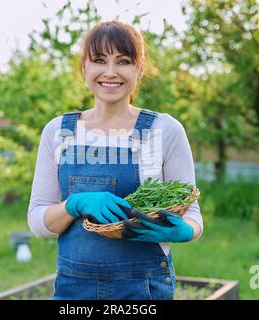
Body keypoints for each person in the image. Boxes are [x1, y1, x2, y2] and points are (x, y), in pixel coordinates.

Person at [27, 20, 203, 300]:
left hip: (144, 290)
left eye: (123, 61)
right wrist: (74, 204)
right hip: (74, 291)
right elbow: (37, 222)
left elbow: (193, 216)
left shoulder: (164, 130)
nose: (110, 72)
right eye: (99, 60)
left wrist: (183, 231)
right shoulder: (59, 132)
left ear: (139, 69)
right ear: (85, 67)